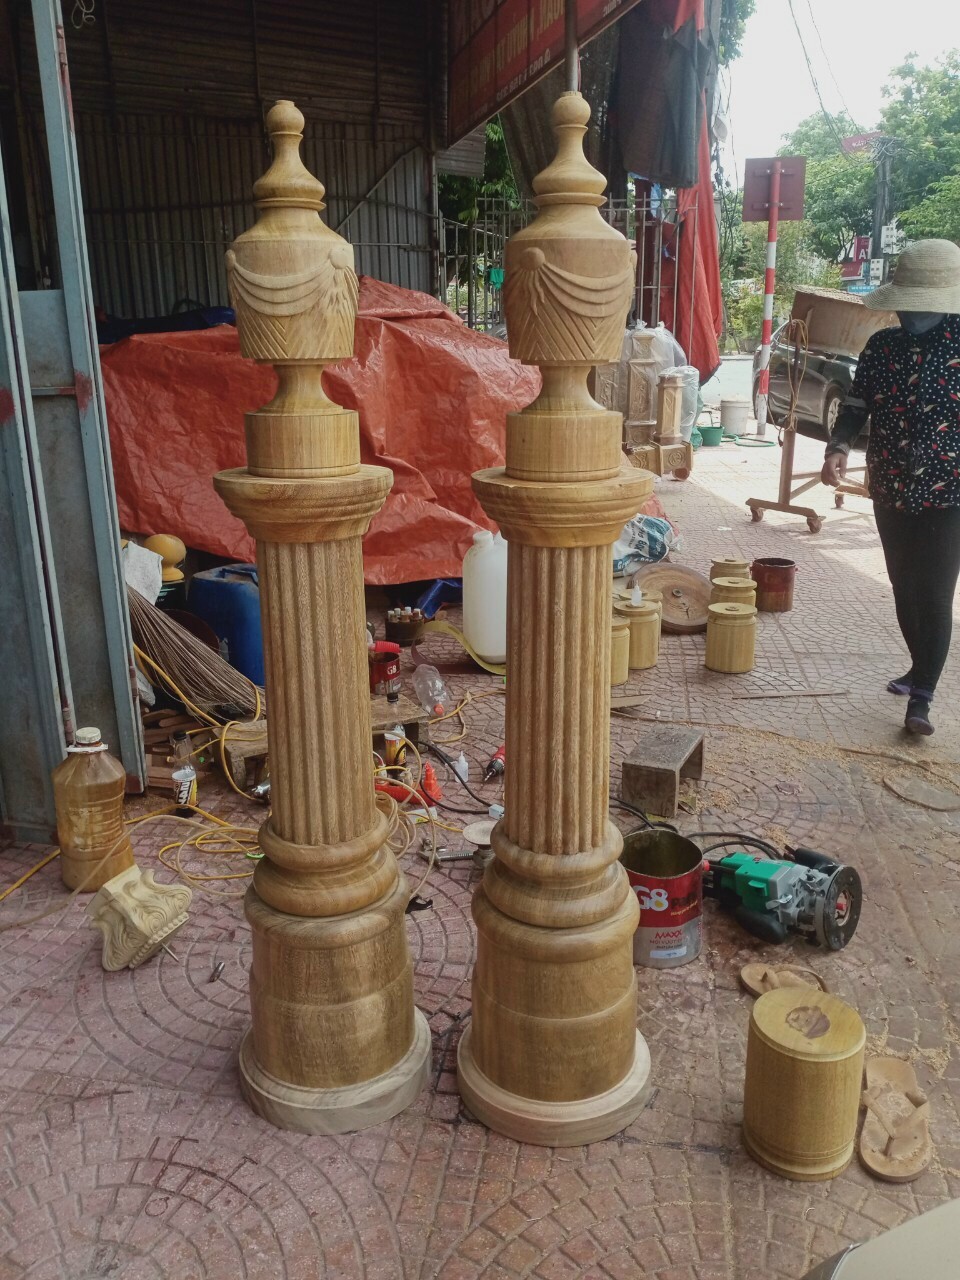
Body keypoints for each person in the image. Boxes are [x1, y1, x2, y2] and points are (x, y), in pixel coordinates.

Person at [821, 238, 960, 736]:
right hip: (891, 483)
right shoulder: (883, 346)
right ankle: (919, 668)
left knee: (935, 592)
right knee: (903, 585)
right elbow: (857, 404)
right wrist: (838, 446)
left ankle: (922, 697)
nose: (911, 313)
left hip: (950, 491)